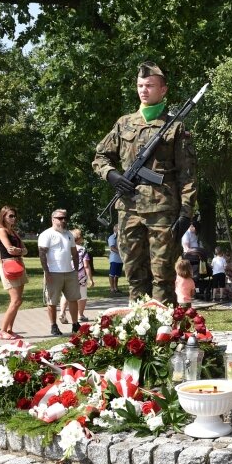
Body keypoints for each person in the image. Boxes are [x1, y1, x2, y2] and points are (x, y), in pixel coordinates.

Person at [93, 61, 197, 305]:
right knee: (134, 276)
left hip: (162, 212)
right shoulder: (124, 123)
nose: (143, 90)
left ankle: (163, 333)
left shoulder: (175, 127)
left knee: (162, 276)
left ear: (163, 90)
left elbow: (187, 175)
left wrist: (186, 212)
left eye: (149, 85)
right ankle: (139, 332)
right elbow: (100, 157)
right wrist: (112, 175)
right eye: (140, 85)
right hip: (128, 210)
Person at [38, 209, 80, 336]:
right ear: (53, 219)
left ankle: (75, 324)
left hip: (69, 272)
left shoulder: (69, 234)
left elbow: (75, 253)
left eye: (65, 218)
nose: (63, 220)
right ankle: (53, 326)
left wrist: (76, 270)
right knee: (52, 301)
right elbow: (42, 254)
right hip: (53, 273)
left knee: (73, 299)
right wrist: (47, 272)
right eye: (60, 218)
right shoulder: (46, 234)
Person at [0, 206, 29, 339]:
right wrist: (19, 250)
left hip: (19, 264)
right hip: (8, 266)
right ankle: (2, 331)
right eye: (10, 216)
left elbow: (25, 250)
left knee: (18, 301)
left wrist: (19, 250)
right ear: (3, 216)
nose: (13, 218)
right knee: (15, 300)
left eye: (14, 216)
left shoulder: (14, 232)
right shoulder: (1, 230)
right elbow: (10, 249)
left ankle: (9, 330)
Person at [59, 229, 94, 324]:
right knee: (82, 296)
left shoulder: (65, 248)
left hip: (67, 273)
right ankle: (80, 315)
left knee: (65, 295)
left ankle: (62, 313)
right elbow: (86, 265)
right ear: (79, 238)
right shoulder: (82, 249)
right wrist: (90, 278)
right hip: (80, 276)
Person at [107, 224, 123, 295]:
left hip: (120, 259)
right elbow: (112, 248)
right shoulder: (112, 237)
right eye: (119, 229)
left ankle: (116, 288)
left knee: (117, 275)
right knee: (112, 274)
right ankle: (111, 288)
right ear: (115, 229)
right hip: (114, 259)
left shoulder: (121, 238)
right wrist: (121, 253)